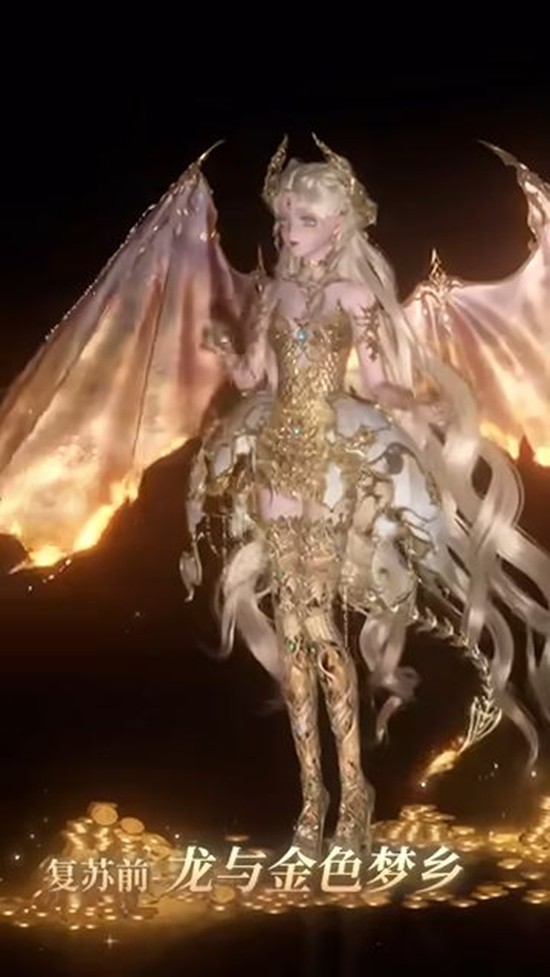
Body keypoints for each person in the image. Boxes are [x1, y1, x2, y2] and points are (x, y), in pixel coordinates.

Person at [0, 135, 549, 860]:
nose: (288, 231)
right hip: (275, 459)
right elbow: (255, 377)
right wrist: (226, 350)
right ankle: (314, 794)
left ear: (338, 225)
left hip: (332, 457)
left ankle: (352, 791)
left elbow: (378, 382)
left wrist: (428, 400)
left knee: (320, 629)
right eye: (285, 218)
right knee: (292, 631)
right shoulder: (271, 294)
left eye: (302, 220)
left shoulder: (356, 297)